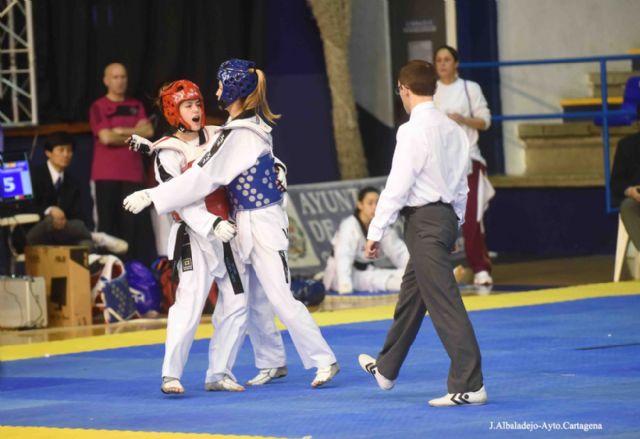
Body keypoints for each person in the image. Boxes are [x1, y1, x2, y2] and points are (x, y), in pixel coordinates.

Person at [124, 59, 339, 388]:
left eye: (219, 89)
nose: (213, 95)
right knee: (248, 299)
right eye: (190, 103)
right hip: (224, 225)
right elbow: (198, 159)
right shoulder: (237, 129)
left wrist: (154, 196)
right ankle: (268, 362)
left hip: (254, 223)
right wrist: (153, 148)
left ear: (236, 90)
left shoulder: (236, 133)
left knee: (274, 297)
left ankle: (322, 360)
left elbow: (202, 175)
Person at [129, 80, 287, 394]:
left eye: (198, 104)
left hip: (227, 231)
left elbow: (254, 153)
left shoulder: (219, 134)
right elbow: (181, 200)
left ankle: (219, 372)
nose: (197, 111)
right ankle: (171, 374)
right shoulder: (166, 152)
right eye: (188, 105)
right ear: (174, 111)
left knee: (237, 302)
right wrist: (210, 225)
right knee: (188, 304)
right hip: (194, 235)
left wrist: (278, 168)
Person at [357, 60, 486, 407]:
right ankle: (386, 368)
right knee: (411, 298)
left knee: (444, 303)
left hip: (424, 222)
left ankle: (469, 384)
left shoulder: (412, 131)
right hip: (441, 220)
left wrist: (376, 230)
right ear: (435, 87)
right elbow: (462, 185)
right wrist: (454, 222)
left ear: (403, 89)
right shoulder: (454, 129)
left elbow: (398, 186)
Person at [433, 45, 495, 287]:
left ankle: (480, 267)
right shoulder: (430, 90)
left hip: (469, 160)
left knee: (471, 218)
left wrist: (462, 119)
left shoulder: (470, 88)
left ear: (456, 63)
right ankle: (440, 270)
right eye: (438, 60)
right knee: (439, 218)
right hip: (441, 164)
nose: (442, 64)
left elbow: (485, 121)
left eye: (447, 59)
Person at [89, 62, 155, 264]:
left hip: (133, 175)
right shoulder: (99, 106)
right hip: (106, 175)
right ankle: (108, 275)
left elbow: (149, 132)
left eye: (123, 77)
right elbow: (106, 137)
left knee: (135, 230)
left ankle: (137, 275)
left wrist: (120, 132)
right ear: (106, 80)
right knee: (108, 230)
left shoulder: (136, 106)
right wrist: (134, 133)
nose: (120, 81)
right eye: (115, 77)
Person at [24, 132, 127, 254]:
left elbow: (78, 216)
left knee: (87, 245)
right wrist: (49, 210)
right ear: (48, 153)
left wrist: (64, 221)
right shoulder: (33, 175)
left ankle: (92, 240)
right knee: (51, 221)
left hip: (63, 233)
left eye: (69, 151)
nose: (66, 155)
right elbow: (25, 207)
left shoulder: (72, 182)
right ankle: (98, 237)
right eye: (61, 150)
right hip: (34, 232)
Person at [323, 187, 409, 294]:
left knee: (407, 276)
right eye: (370, 203)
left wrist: (414, 269)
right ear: (360, 205)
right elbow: (343, 256)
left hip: (366, 272)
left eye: (377, 203)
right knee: (382, 280)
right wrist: (345, 286)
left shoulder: (380, 226)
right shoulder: (349, 226)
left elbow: (399, 251)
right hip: (341, 274)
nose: (375, 207)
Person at [611, 131, 640, 248]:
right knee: (627, 207)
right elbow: (616, 183)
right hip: (637, 200)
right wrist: (631, 191)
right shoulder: (627, 146)